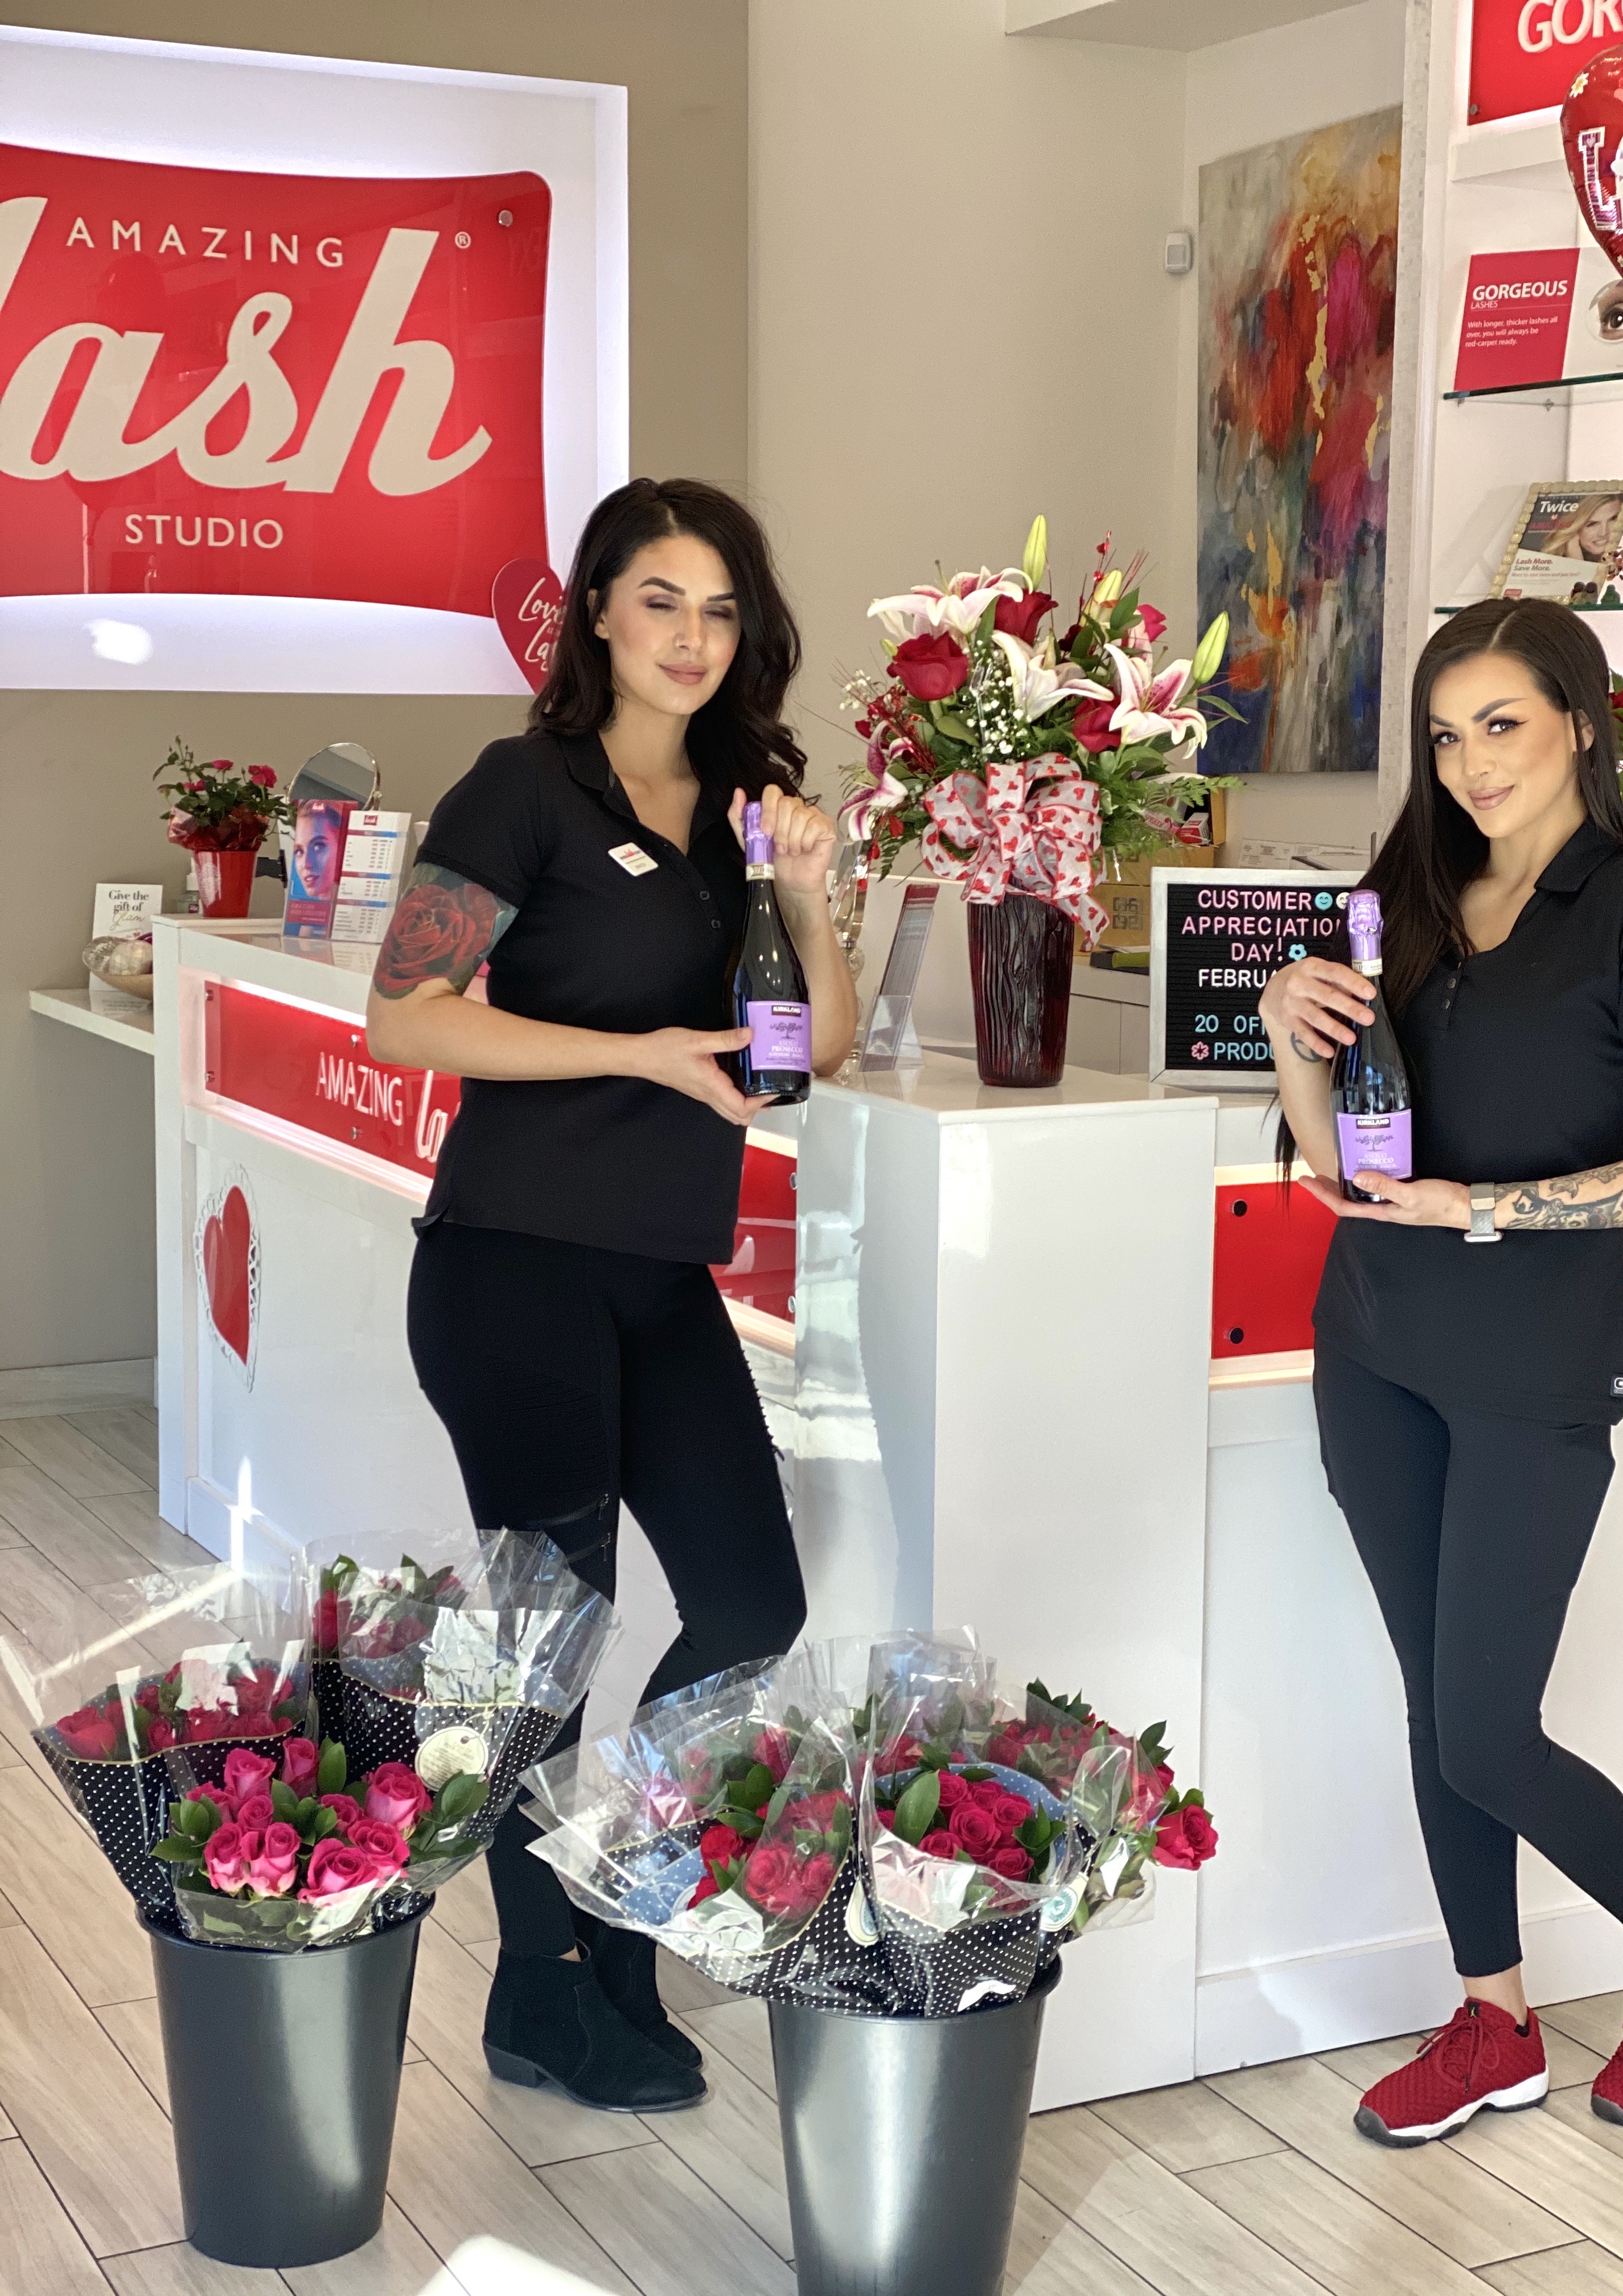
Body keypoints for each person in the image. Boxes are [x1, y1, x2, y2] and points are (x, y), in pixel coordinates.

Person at [366, 477, 857, 2112]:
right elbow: (408, 1018)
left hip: (658, 1273)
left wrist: (808, 886)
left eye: (721, 610)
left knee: (749, 1613)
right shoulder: (524, 788)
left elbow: (819, 1046)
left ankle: (610, 1912)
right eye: (661, 600)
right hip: (512, 1268)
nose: (693, 638)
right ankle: (538, 1996)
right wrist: (636, 1050)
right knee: (542, 1656)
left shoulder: (741, 802)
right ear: (596, 611)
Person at [1261, 598, 1623, 2146]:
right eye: (1446, 736)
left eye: (1502, 725)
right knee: (1434, 1705)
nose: (1469, 766)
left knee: (1484, 1727)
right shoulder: (1411, 893)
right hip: (1375, 1350)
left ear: (1582, 723)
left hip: (1535, 1372)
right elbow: (1337, 1171)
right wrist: (1288, 1042)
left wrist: (1489, 1210)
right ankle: (1496, 2016)